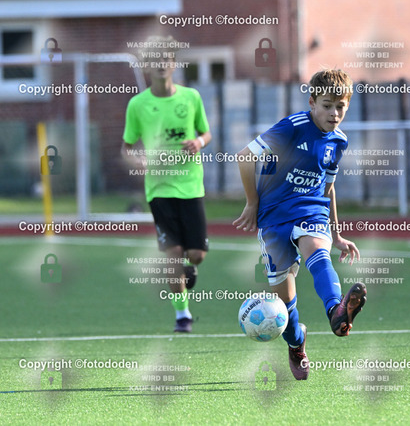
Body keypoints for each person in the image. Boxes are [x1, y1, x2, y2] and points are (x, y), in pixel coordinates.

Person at [233, 69, 367, 380]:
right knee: (284, 306)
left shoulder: (339, 141)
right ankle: (297, 344)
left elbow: (328, 188)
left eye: (341, 107)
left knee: (318, 253)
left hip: (311, 210)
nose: (334, 114)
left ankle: (336, 311)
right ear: (312, 102)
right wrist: (252, 203)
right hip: (274, 216)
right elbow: (244, 157)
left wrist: (336, 234)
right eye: (327, 106)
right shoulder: (292, 127)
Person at [121, 36, 212, 332]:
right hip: (159, 189)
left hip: (190, 185)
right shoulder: (138, 104)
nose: (160, 64)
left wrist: (198, 142)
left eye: (166, 59)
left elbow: (206, 133)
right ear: (147, 66)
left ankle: (190, 265)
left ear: (173, 64)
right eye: (154, 60)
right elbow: (127, 147)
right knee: (172, 254)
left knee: (196, 254)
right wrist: (137, 161)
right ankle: (182, 315)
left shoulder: (191, 97)